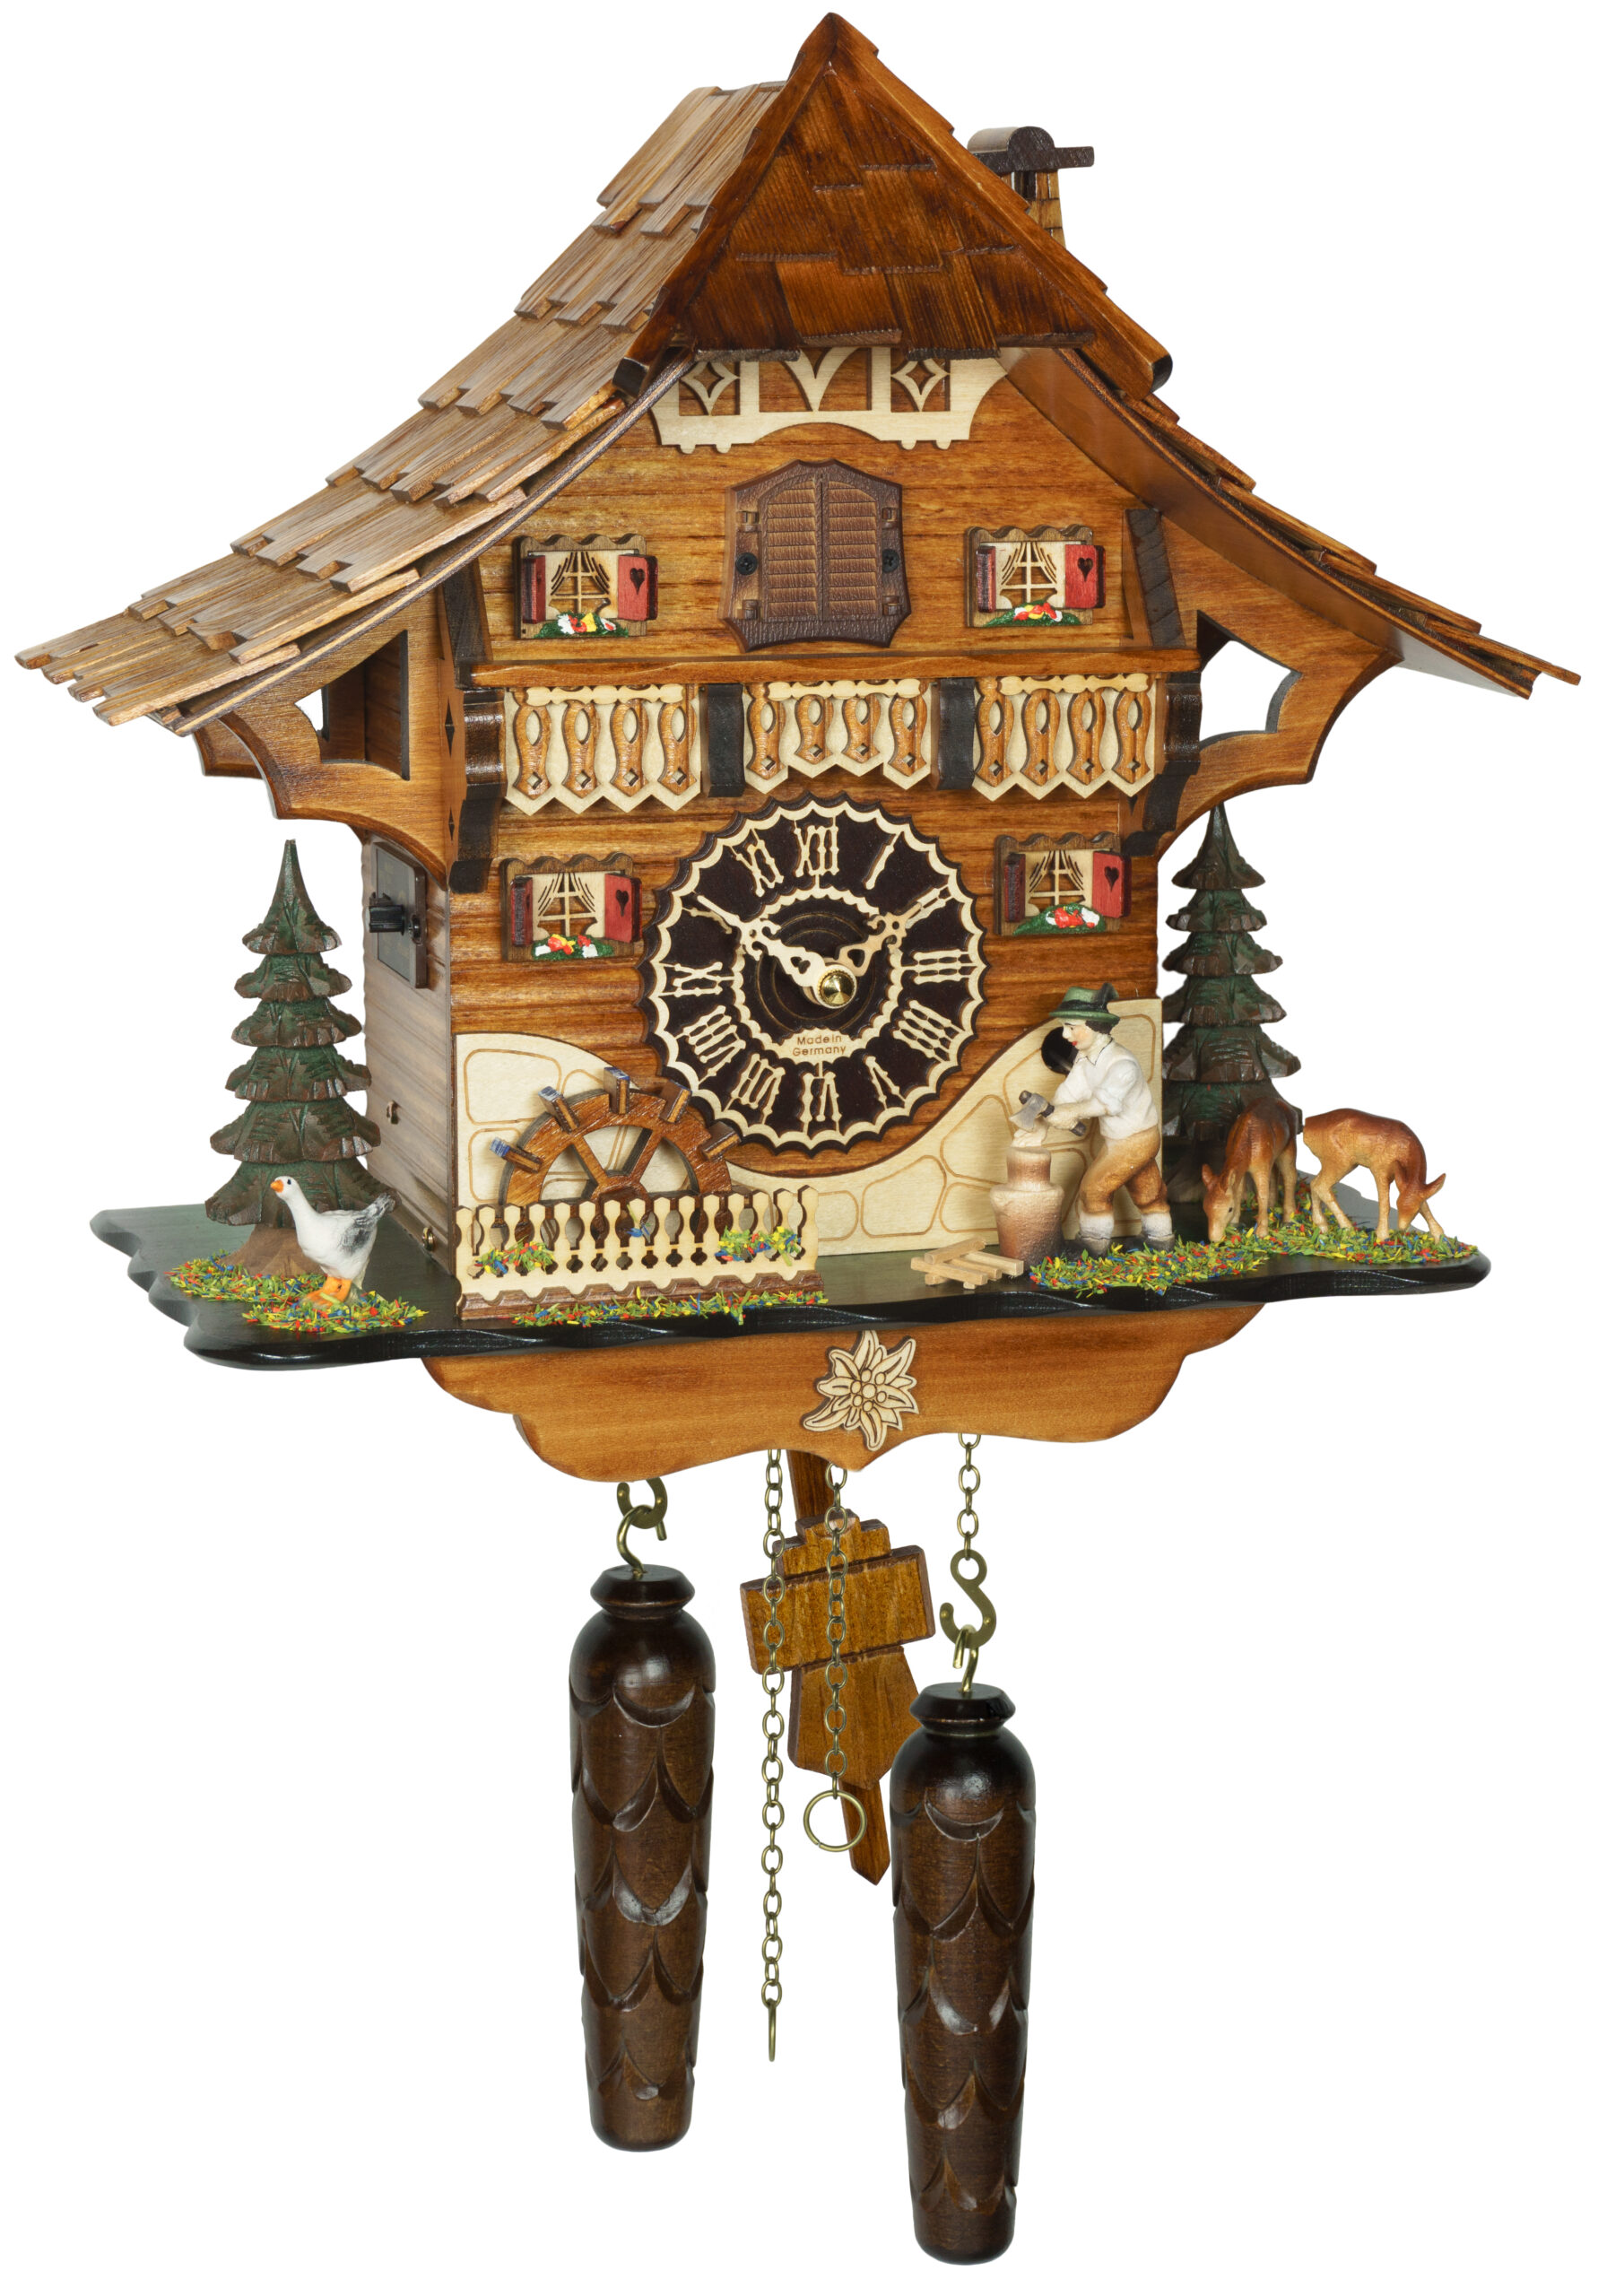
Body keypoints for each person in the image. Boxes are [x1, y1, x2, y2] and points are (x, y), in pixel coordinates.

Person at [1014, 983, 1173, 1255]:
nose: (1065, 1035)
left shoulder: (1122, 1064)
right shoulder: (1085, 1059)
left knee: (1094, 1189)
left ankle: (1092, 1245)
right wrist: (1042, 1126)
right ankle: (1161, 1239)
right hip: (1122, 1139)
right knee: (1147, 1191)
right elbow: (1068, 1094)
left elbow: (1105, 1103)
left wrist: (1073, 1112)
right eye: (1064, 1027)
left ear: (1095, 1026)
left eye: (1072, 1027)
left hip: (1135, 1140)